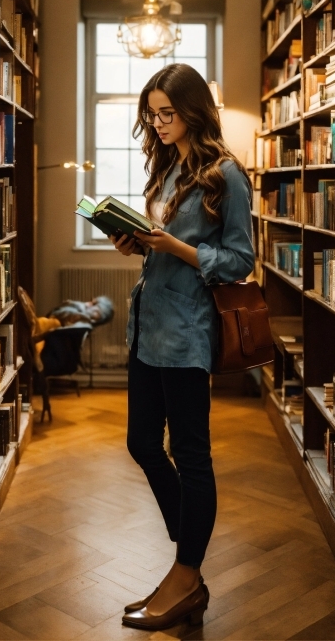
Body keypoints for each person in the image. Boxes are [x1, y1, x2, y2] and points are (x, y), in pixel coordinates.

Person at [110, 63, 254, 631]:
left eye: (168, 113)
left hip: (190, 332)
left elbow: (241, 260)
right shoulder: (168, 170)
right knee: (142, 442)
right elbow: (161, 248)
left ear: (193, 110)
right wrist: (138, 245)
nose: (159, 123)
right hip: (149, 325)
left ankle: (186, 571)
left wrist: (179, 248)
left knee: (191, 453)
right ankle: (187, 554)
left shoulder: (227, 176)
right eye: (152, 114)